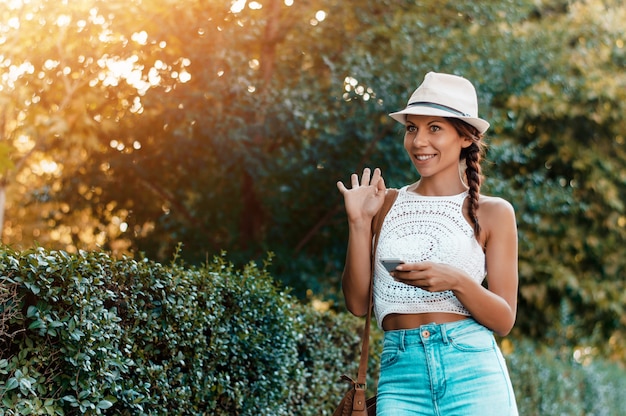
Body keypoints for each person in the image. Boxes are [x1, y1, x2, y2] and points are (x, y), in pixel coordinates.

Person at [336, 72, 519, 415]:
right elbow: (358, 303)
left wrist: (456, 281)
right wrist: (359, 224)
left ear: (465, 138)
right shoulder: (383, 203)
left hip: (473, 373)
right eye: (411, 128)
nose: (419, 141)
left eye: (434, 128)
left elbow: (504, 320)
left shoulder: (493, 212)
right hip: (400, 377)